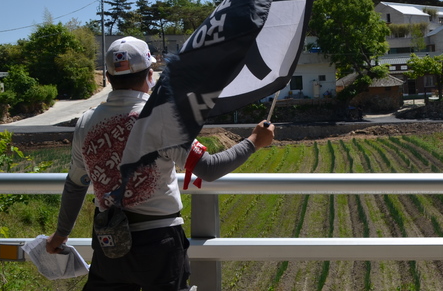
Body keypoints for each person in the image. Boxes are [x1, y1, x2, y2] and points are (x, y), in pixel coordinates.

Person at [46, 36, 275, 290]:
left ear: (108, 79)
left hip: (108, 241)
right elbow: (209, 168)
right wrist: (254, 140)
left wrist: (61, 233)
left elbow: (76, 184)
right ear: (150, 75)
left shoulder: (86, 122)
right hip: (159, 242)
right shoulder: (163, 118)